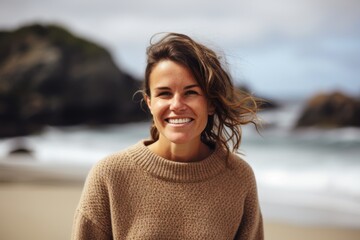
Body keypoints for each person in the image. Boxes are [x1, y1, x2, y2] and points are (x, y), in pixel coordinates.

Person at [72, 32, 264, 239]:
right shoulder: (109, 176)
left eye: (191, 92)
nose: (177, 105)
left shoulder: (238, 178)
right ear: (149, 102)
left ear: (210, 103)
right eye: (164, 93)